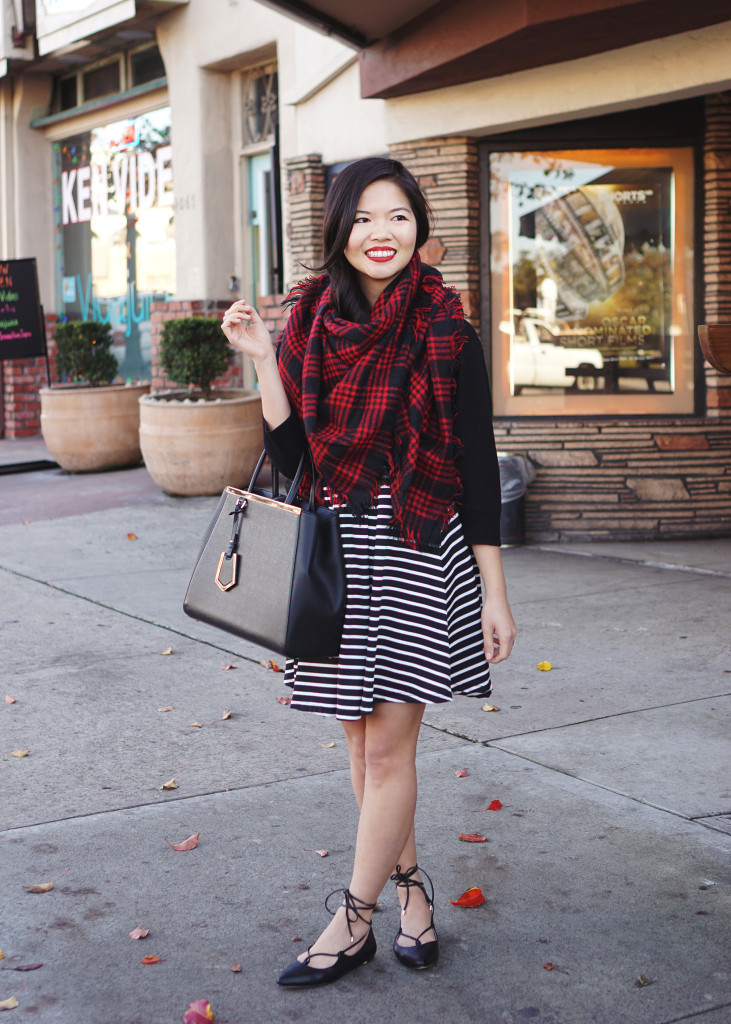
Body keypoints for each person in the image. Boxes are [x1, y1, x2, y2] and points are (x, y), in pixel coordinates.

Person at [221, 157, 516, 988]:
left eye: (396, 217)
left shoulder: (446, 330)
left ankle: (351, 921)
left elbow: (478, 467)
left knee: (388, 748)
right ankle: (412, 891)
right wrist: (261, 356)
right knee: (359, 745)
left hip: (420, 544)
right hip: (339, 545)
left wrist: (494, 589)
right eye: (363, 219)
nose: (380, 234)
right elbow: (292, 460)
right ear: (339, 231)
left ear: (419, 227)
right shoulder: (310, 320)